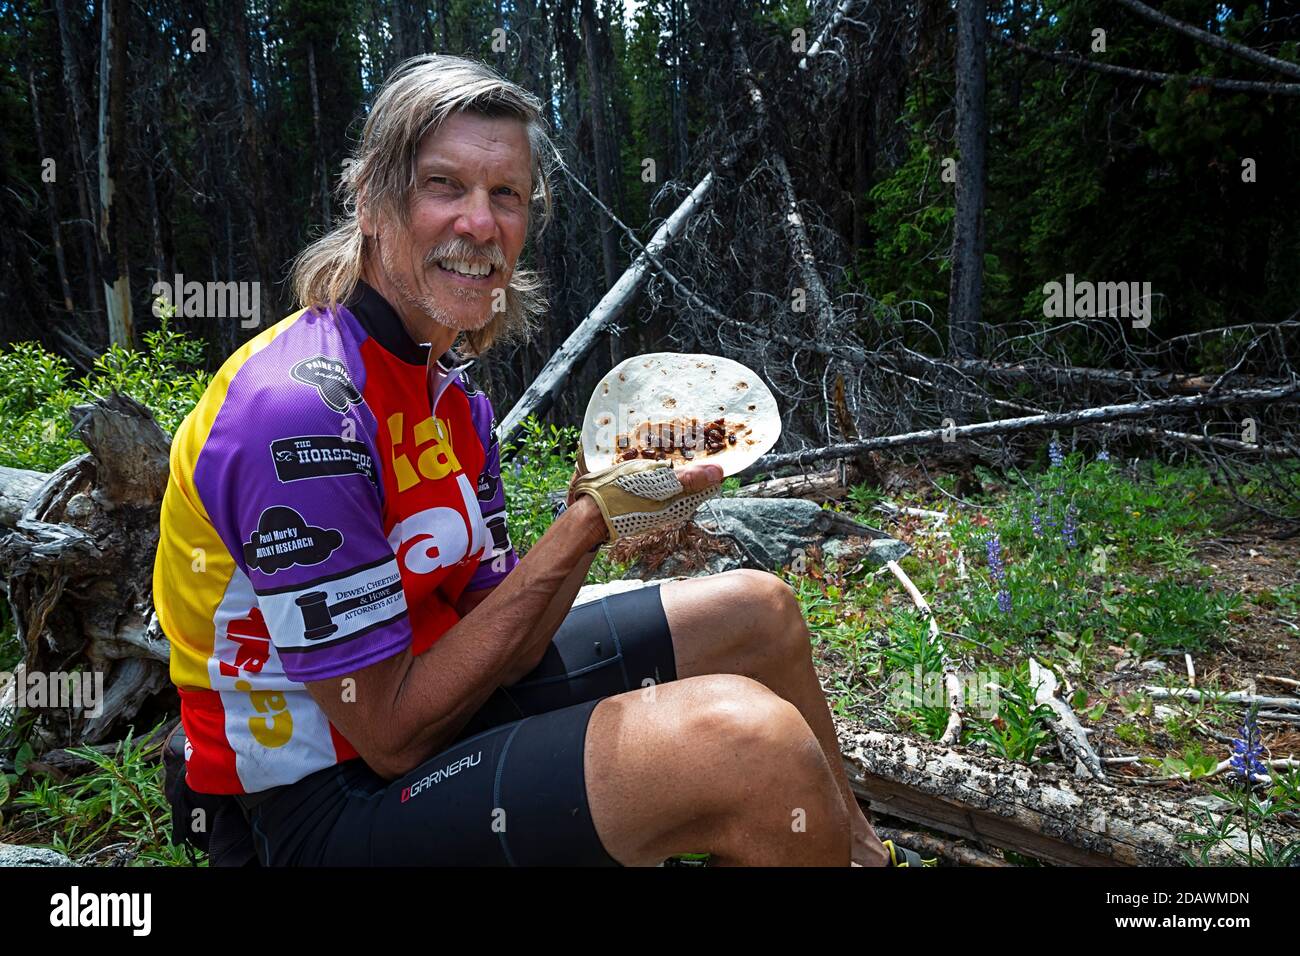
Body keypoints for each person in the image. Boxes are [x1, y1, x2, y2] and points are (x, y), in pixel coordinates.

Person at [153, 53, 914, 867]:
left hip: (441, 705)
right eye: (444, 186)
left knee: (759, 614)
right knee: (747, 743)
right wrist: (588, 528)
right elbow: (391, 737)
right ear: (370, 200)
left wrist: (597, 499)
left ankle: (862, 856)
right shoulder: (303, 413)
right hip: (315, 808)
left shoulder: (450, 395)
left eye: (505, 195)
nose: (480, 224)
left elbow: (496, 629)